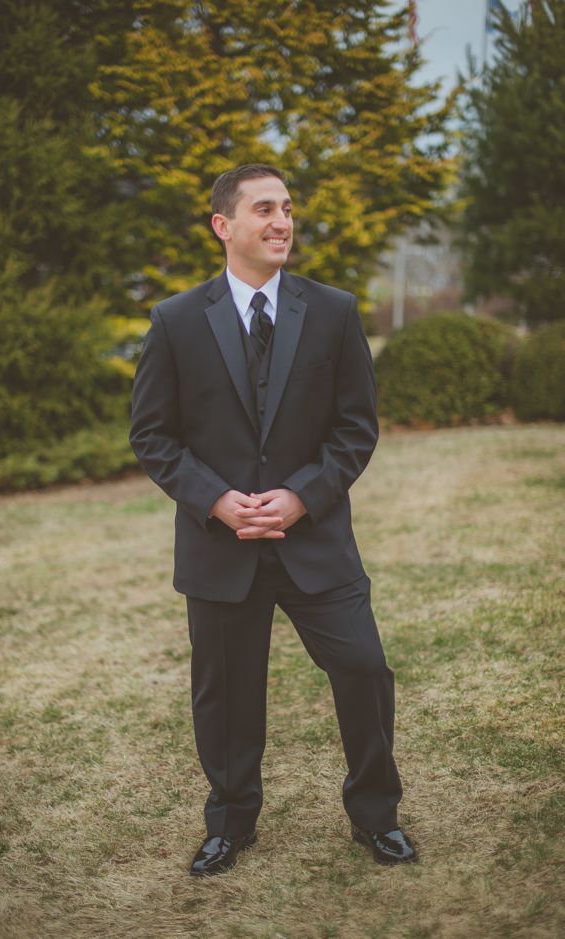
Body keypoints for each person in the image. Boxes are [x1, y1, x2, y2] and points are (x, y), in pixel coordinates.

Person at [130, 163, 417, 875]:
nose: (282, 221)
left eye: (287, 208)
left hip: (315, 540)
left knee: (364, 668)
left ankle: (376, 814)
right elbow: (153, 435)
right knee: (225, 696)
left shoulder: (333, 312)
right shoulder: (174, 321)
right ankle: (230, 823)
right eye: (264, 209)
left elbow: (355, 428)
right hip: (218, 547)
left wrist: (301, 495)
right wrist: (215, 501)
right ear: (222, 225)